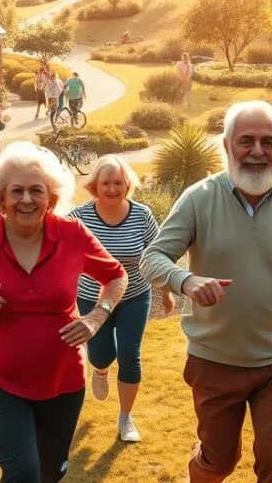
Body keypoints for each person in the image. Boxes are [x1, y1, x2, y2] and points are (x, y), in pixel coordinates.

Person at [139, 101, 272, 482]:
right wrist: (186, 281)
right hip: (215, 358)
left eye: (268, 142)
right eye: (245, 140)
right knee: (219, 461)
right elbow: (152, 258)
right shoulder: (199, 198)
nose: (256, 151)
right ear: (226, 144)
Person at [0, 142, 127, 483]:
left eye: (37, 190)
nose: (27, 199)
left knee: (50, 472)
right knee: (22, 473)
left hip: (63, 379)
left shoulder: (72, 234)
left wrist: (96, 317)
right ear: (1, 198)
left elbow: (116, 275)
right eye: (16, 191)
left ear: (51, 198)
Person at [69, 155, 174, 442]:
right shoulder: (79, 216)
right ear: (95, 186)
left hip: (134, 296)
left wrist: (165, 292)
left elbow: (157, 255)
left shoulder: (141, 215)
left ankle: (126, 417)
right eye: (106, 183)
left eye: (118, 182)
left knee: (130, 354)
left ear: (127, 184)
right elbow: (56, 250)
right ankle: (100, 370)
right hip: (92, 297)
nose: (113, 189)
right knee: (101, 354)